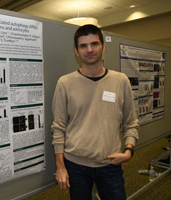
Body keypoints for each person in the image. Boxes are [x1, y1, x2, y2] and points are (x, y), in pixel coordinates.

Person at [51, 24, 139, 200]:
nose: (89, 49)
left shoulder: (120, 81)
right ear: (76, 51)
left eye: (94, 44)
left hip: (110, 164)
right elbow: (58, 127)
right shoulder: (65, 83)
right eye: (83, 46)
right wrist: (60, 167)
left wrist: (129, 150)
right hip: (76, 165)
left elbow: (131, 122)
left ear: (103, 47)